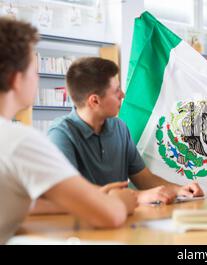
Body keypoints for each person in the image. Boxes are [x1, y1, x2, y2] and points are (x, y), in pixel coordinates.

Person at [0, 18, 136, 244]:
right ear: (16, 79)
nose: (38, 78)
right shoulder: (18, 141)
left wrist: (92, 198)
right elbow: (110, 216)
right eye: (35, 71)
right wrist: (119, 201)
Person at [48, 57, 204, 205]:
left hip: (123, 219)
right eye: (116, 91)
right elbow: (71, 192)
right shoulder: (61, 135)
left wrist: (179, 190)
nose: (123, 95)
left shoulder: (119, 128)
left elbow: (144, 178)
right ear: (94, 100)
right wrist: (139, 197)